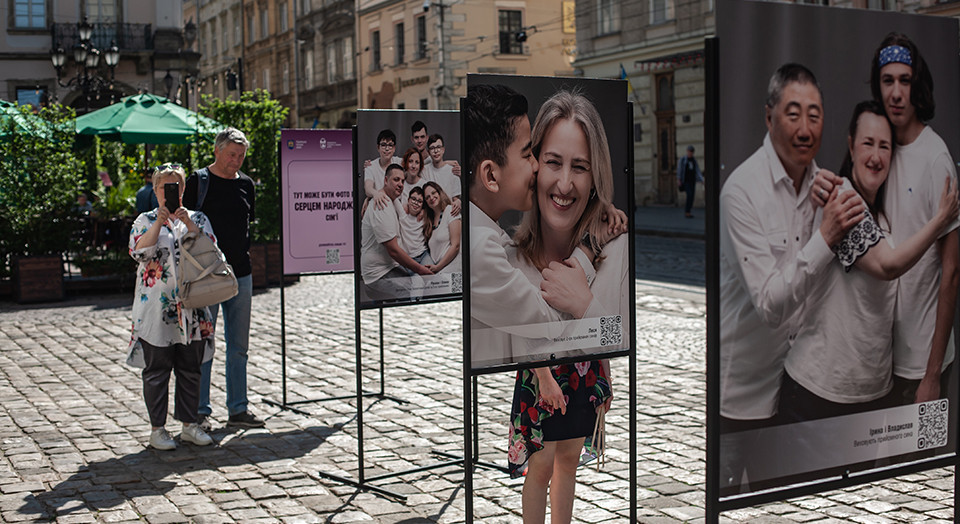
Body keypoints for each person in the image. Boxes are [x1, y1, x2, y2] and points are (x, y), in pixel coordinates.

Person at [718, 63, 863, 490]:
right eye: (793, 113)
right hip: (739, 399)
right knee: (723, 505)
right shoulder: (742, 192)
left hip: (796, 395)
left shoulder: (826, 190)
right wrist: (827, 234)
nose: (805, 128)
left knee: (781, 506)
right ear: (769, 117)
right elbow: (769, 305)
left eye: (814, 115)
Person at [781, 100, 959, 422]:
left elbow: (948, 273)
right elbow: (887, 266)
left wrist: (932, 375)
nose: (876, 157)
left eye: (885, 146)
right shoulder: (842, 197)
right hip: (819, 391)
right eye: (867, 143)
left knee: (892, 472)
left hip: (872, 396)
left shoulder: (888, 212)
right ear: (850, 145)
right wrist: (941, 219)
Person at [812, 33, 960, 406]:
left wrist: (931, 374)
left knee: (922, 460)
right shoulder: (881, 145)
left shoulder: (935, 158)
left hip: (922, 363)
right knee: (881, 460)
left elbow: (952, 271)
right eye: (887, 81)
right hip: (883, 358)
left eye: (905, 81)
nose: (896, 93)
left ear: (917, 86)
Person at [505, 90, 627, 524]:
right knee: (540, 467)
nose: (564, 182)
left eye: (580, 166)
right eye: (554, 162)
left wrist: (606, 374)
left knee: (570, 463)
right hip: (544, 374)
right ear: (534, 164)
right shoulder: (512, 253)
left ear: (596, 176)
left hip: (583, 370)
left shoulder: (604, 241)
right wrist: (543, 378)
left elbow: (606, 324)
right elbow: (519, 321)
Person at [467, 84, 603, 368]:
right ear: (491, 175)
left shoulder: (485, 238)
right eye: (529, 154)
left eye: (579, 167)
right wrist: (587, 249)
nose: (536, 166)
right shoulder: (479, 249)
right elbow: (550, 325)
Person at [126, 163, 215, 450]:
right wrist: (158, 224)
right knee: (157, 369)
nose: (169, 191)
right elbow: (138, 252)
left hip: (192, 305)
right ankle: (157, 429)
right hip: (156, 308)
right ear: (155, 190)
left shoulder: (197, 218)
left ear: (183, 189)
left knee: (191, 367)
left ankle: (190, 424)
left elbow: (212, 252)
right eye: (164, 186)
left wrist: (187, 223)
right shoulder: (144, 219)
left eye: (174, 185)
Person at [182, 127, 264, 430]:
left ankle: (238, 409)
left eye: (241, 156)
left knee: (239, 346)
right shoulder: (198, 182)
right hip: (205, 276)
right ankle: (200, 410)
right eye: (232, 154)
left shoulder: (246, 185)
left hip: (240, 274)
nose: (236, 161)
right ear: (217, 151)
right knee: (204, 343)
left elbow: (246, 225)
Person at [359, 164, 433, 301]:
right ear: (386, 180)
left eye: (403, 181)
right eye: (396, 180)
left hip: (389, 267)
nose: (400, 184)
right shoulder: (382, 205)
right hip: (377, 276)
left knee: (418, 286)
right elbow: (393, 250)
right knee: (411, 293)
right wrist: (420, 269)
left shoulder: (392, 201)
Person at [422, 181, 461, 274]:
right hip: (439, 272)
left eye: (433, 193)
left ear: (439, 193)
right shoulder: (429, 222)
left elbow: (456, 245)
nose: (431, 198)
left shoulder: (450, 211)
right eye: (427, 197)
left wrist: (438, 267)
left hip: (453, 270)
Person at [422, 134, 462, 215]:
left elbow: (456, 199)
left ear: (443, 149)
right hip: (431, 214)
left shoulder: (453, 170)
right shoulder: (424, 170)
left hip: (449, 213)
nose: (436, 151)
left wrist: (458, 201)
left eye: (438, 147)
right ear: (428, 152)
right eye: (432, 148)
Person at [363, 129, 402, 200]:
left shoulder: (400, 162)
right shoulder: (371, 166)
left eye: (390, 145)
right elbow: (368, 188)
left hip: (398, 204)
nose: (387, 149)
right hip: (380, 205)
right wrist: (375, 194)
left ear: (394, 148)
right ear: (378, 147)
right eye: (383, 145)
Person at [399, 186, 432, 266]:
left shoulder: (425, 216)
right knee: (415, 278)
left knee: (432, 275)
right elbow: (389, 196)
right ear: (408, 200)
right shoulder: (401, 213)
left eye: (420, 201)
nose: (416, 203)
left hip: (423, 254)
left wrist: (458, 201)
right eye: (413, 199)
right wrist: (368, 198)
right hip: (407, 258)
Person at [676, 145, 703, 218]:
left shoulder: (694, 160)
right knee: (689, 194)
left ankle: (689, 211)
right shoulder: (683, 160)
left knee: (692, 196)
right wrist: (679, 179)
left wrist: (701, 179)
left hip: (692, 181)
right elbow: (679, 169)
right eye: (689, 151)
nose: (690, 153)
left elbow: (697, 170)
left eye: (691, 152)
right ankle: (687, 211)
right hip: (686, 181)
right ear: (687, 151)